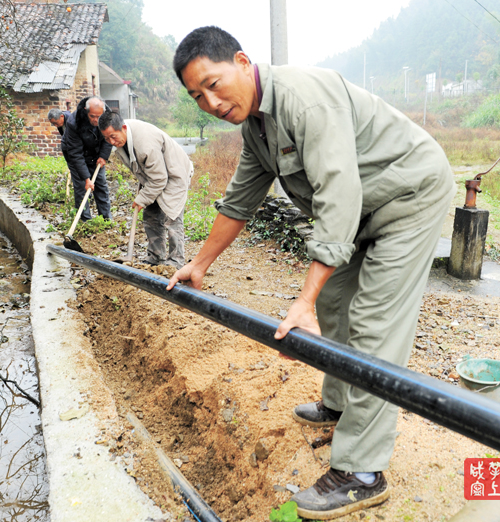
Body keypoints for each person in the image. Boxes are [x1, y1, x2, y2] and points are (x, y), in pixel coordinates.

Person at [168, 26, 456, 520]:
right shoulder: (255, 127)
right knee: (334, 302)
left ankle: (362, 472)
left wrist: (299, 301)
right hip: (363, 209)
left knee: (374, 323)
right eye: (197, 96)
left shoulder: (305, 100)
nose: (210, 102)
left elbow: (338, 197)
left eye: (214, 84)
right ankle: (341, 406)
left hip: (407, 198)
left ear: (241, 62)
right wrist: (200, 263)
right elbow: (239, 201)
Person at [97, 111, 193, 269]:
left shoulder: (145, 144)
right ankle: (156, 257)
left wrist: (142, 198)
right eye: (107, 138)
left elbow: (159, 178)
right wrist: (144, 190)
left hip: (174, 173)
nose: (111, 142)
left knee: (171, 216)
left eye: (113, 136)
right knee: (151, 215)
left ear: (123, 127)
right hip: (155, 175)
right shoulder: (122, 138)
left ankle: (175, 262)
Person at [61, 96, 112, 221]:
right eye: (92, 116)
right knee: (81, 187)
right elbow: (75, 153)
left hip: (96, 153)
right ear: (86, 111)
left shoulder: (108, 117)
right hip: (76, 153)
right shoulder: (74, 122)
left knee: (101, 184)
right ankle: (85, 221)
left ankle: (106, 220)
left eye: (98, 116)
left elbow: (109, 137)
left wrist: (103, 156)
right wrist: (86, 178)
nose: (96, 120)